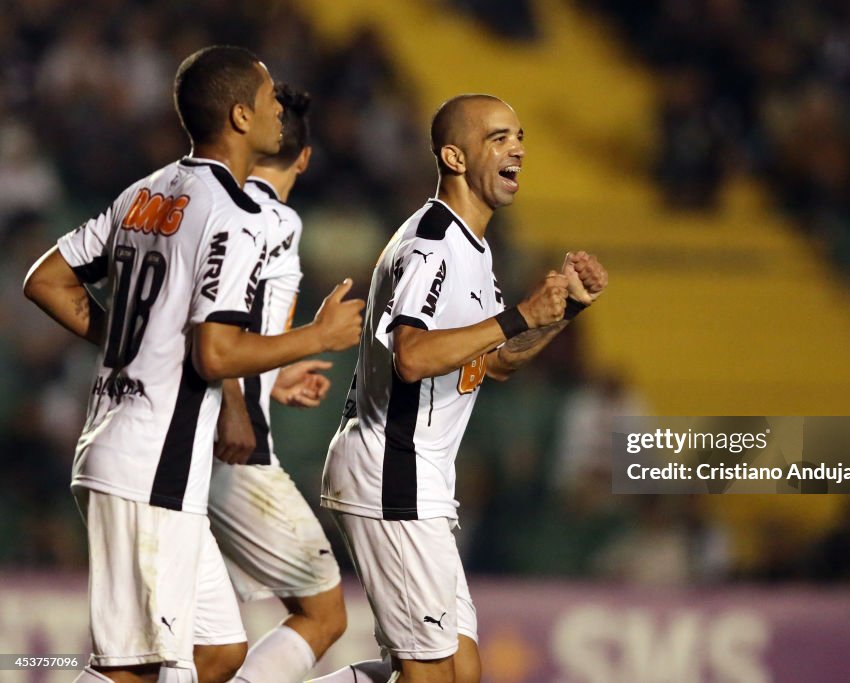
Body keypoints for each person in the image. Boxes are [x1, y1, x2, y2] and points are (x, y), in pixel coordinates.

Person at [21, 46, 364, 683]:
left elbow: (46, 280)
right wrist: (317, 334)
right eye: (268, 102)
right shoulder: (235, 216)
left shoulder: (145, 192)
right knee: (133, 669)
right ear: (240, 116)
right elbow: (216, 352)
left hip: (139, 456)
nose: (277, 115)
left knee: (217, 651)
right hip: (152, 463)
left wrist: (136, 335)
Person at [316, 94, 608, 683]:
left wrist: (561, 314)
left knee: (460, 671)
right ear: (453, 155)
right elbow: (412, 355)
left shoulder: (474, 250)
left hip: (419, 477)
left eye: (519, 136)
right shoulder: (432, 241)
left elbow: (495, 363)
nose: (517, 148)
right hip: (390, 469)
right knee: (431, 676)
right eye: (498, 137)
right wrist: (520, 313)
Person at [207, 83, 347, 683]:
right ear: (305, 158)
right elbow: (216, 321)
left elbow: (237, 325)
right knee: (325, 614)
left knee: (205, 649)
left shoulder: (215, 203)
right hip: (234, 451)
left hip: (182, 445)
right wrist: (240, 397)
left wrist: (271, 375)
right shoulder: (273, 219)